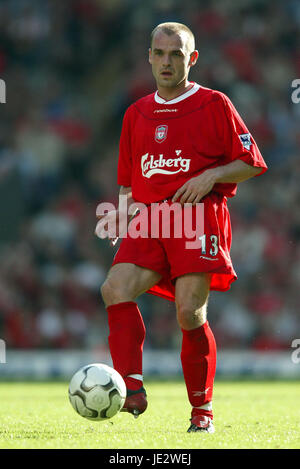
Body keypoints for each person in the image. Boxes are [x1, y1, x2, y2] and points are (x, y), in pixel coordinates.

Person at [96, 22, 267, 433]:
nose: (168, 61)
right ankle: (131, 389)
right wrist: (121, 214)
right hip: (151, 218)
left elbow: (252, 161)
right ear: (150, 58)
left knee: (189, 313)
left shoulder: (214, 103)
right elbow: (126, 180)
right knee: (113, 288)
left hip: (198, 216)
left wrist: (211, 176)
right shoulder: (136, 113)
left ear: (192, 58)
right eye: (160, 53)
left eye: (177, 54)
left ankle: (201, 412)